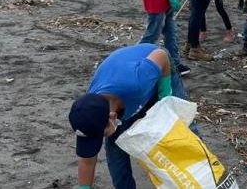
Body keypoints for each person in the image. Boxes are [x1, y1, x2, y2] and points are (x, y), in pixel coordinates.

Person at [69, 43, 177, 189]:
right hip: (123, 90)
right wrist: (84, 187)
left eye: (99, 135)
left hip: (159, 69)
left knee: (176, 128)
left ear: (112, 117)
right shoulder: (89, 112)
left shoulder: (137, 83)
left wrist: (165, 98)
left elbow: (161, 55)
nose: (97, 139)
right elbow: (87, 159)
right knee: (115, 149)